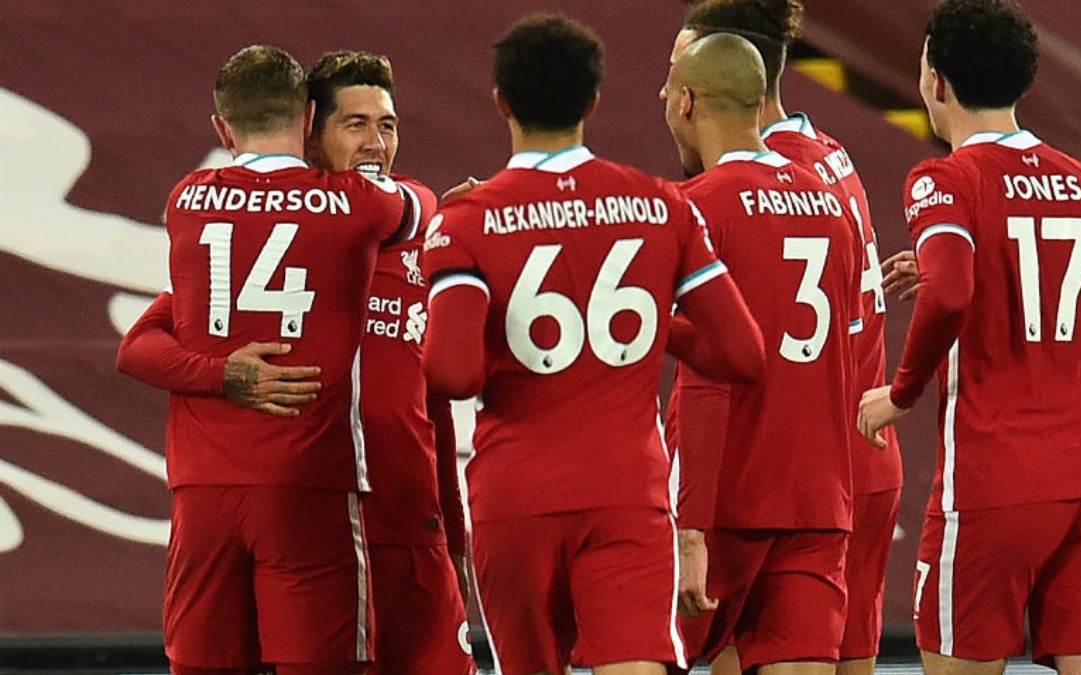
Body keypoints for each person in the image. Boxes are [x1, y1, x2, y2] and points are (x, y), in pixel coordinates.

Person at [420, 13, 765, 675]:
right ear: (593, 102)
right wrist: (653, 321)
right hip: (625, 490)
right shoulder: (662, 205)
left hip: (514, 493)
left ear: (501, 102)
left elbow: (453, 373)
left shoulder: (466, 220)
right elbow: (742, 354)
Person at [116, 50, 477, 675]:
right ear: (310, 127)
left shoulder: (428, 248)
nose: (375, 141)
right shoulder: (358, 218)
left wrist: (456, 533)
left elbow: (437, 401)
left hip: (407, 522)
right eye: (355, 124)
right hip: (322, 503)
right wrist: (222, 373)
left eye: (387, 124)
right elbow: (140, 345)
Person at [857, 2, 1081, 675]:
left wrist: (900, 393)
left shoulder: (944, 178)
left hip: (995, 481)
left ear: (937, 84)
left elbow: (953, 293)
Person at [664, 3, 902, 674]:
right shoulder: (828, 168)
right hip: (837, 468)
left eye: (674, 70)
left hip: (744, 468)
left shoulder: (708, 198)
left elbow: (712, 366)